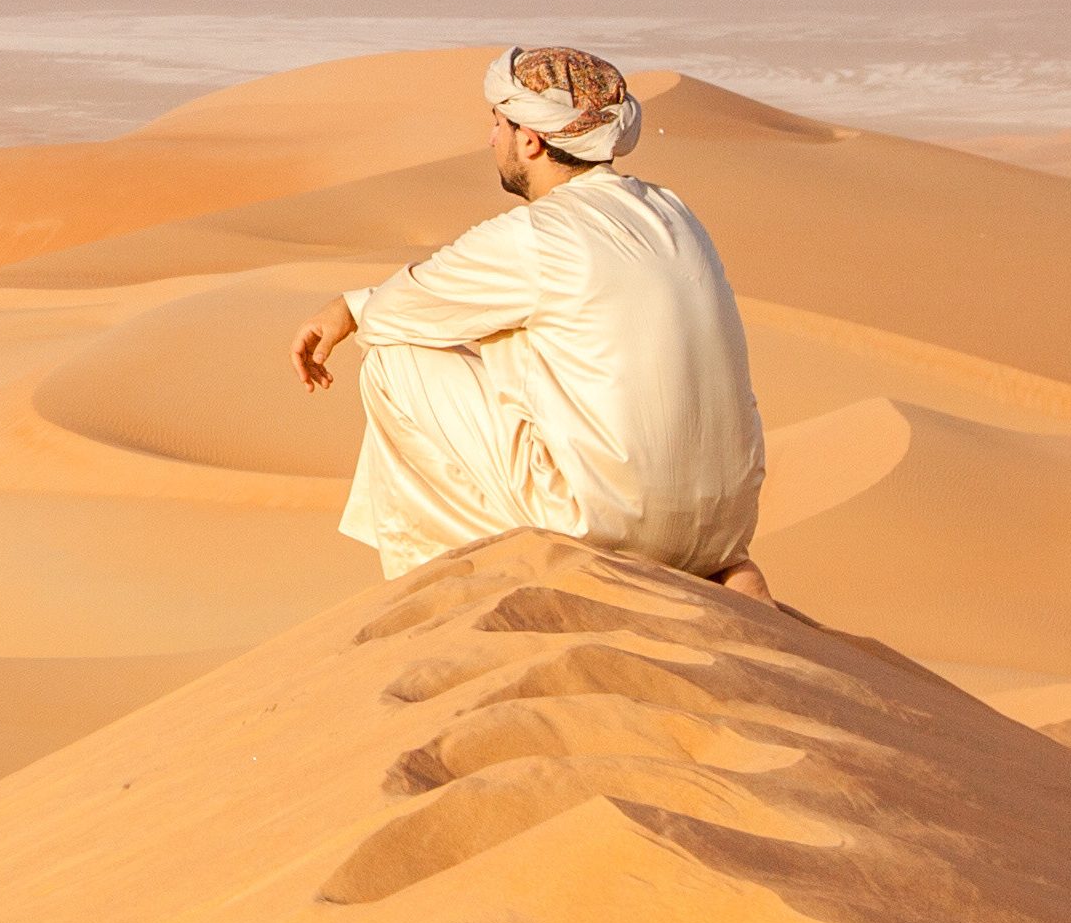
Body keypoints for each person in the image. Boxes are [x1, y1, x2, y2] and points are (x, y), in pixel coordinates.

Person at [290, 46, 771, 597]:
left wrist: (348, 309)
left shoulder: (538, 235)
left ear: (531, 140)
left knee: (392, 362)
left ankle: (471, 584)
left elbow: (398, 313)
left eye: (498, 123)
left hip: (608, 534)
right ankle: (706, 564)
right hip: (723, 532)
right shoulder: (674, 212)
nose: (490, 139)